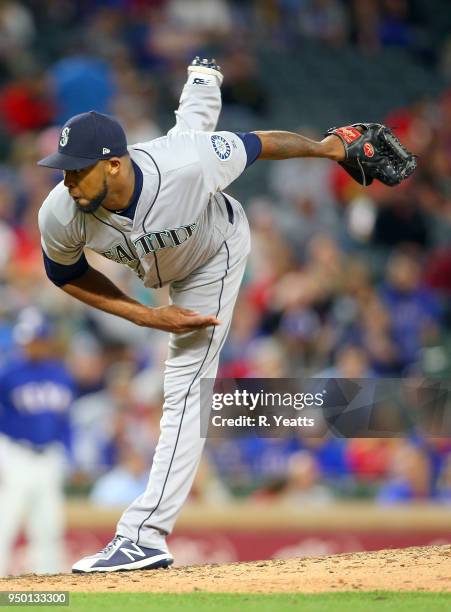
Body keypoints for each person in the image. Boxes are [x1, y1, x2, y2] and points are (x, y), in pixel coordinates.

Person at [37, 57, 348, 573]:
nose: (67, 180)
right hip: (162, 266)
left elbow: (259, 143)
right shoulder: (61, 212)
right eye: (63, 168)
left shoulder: (189, 165)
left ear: (114, 163)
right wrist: (144, 316)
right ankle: (203, 79)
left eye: (77, 168)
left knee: (185, 387)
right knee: (191, 128)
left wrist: (325, 149)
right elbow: (64, 274)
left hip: (214, 248)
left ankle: (144, 535)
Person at [0, 308, 74, 576]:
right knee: (5, 522)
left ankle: (48, 588)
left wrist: (70, 453)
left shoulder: (61, 374)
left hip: (50, 457)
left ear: (45, 339)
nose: (28, 345)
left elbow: (65, 421)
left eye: (34, 340)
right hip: (15, 454)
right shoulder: (8, 373)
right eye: (25, 340)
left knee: (49, 525)